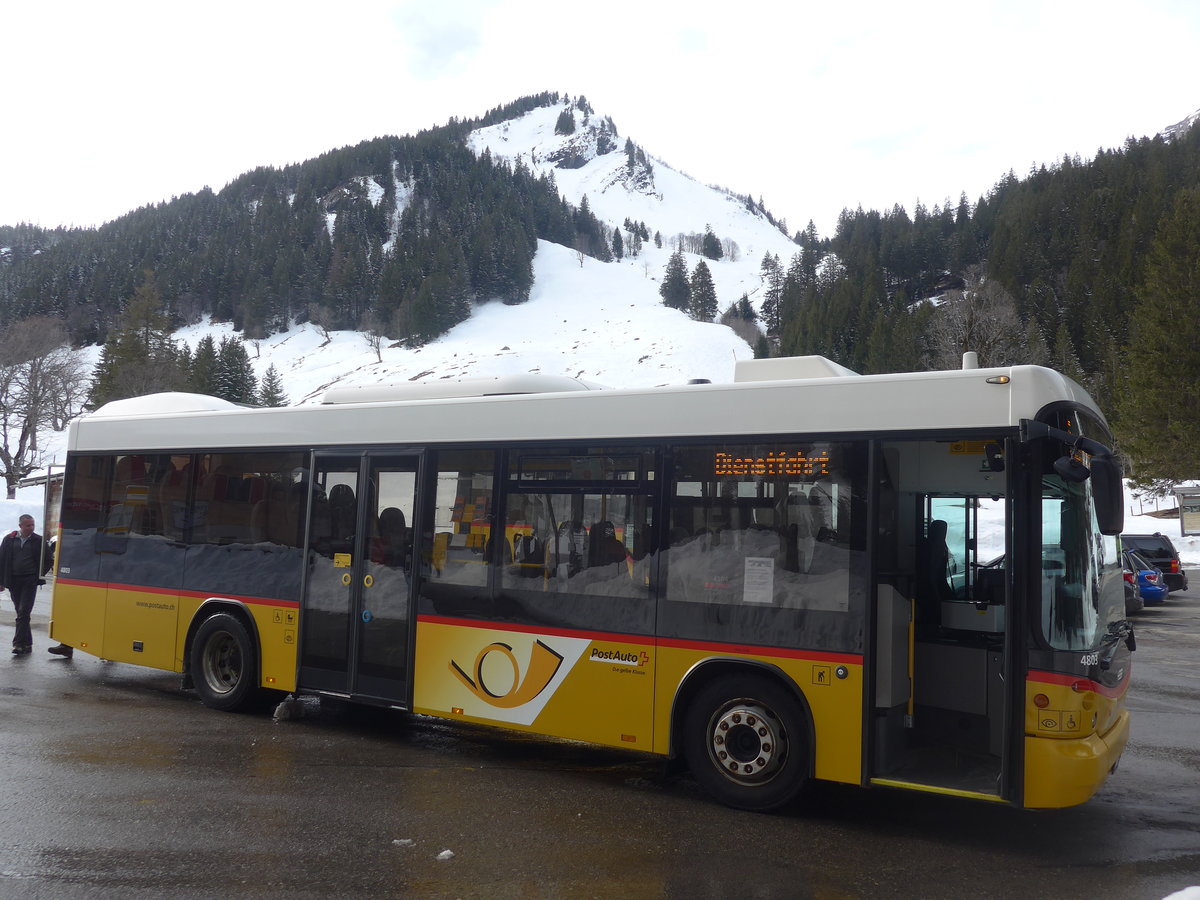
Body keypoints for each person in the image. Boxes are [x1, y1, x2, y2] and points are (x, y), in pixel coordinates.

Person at [1, 514, 53, 655]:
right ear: (20, 526)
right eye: (28, 525)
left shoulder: (38, 540)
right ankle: (27, 643)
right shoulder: (9, 540)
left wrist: (38, 575)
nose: (31, 528)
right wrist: (1, 581)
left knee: (23, 612)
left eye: (33, 525)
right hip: (14, 581)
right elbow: (2, 560)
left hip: (29, 581)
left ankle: (18, 644)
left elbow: (49, 559)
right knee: (21, 613)